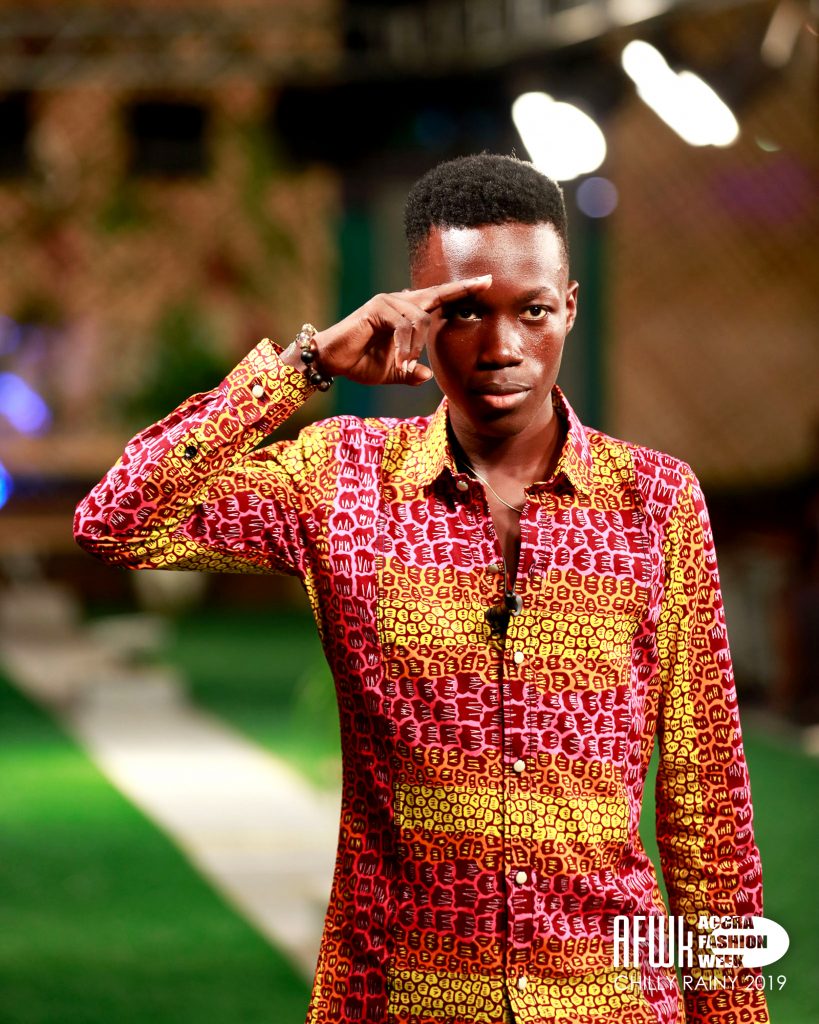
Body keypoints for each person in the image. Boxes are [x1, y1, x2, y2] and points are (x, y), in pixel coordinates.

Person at [74, 154, 769, 1024]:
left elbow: (708, 805)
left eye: (532, 311)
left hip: (610, 999)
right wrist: (305, 364)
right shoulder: (340, 480)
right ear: (412, 312)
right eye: (464, 310)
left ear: (569, 307)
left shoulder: (655, 501)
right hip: (397, 996)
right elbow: (118, 521)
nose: (502, 347)